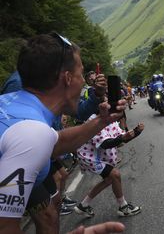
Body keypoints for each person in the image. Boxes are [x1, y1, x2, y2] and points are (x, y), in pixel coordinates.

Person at [0, 32, 126, 233]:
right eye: (81, 74)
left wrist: (103, 120)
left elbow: (54, 141)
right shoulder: (31, 134)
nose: (84, 81)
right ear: (68, 78)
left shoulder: (17, 103)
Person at [74, 115, 144, 217]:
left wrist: (137, 132)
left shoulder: (112, 120)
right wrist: (122, 138)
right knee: (115, 175)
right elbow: (105, 144)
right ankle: (123, 207)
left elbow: (123, 138)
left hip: (99, 155)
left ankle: (83, 205)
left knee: (109, 179)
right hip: (90, 157)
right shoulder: (94, 120)